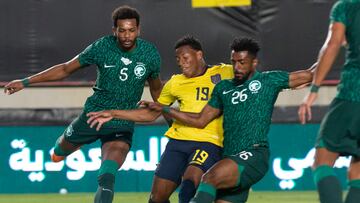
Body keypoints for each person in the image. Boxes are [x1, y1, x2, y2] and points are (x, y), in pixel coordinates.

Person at [3, 5, 162, 203]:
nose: (127, 35)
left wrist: (166, 111)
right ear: (114, 31)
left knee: (107, 178)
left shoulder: (150, 54)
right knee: (57, 155)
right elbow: (65, 69)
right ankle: (74, 144)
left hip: (121, 121)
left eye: (131, 30)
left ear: (138, 30)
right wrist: (25, 82)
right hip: (92, 116)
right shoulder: (102, 47)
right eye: (122, 30)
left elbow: (156, 88)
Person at [131, 37, 315, 203]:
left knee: (205, 179)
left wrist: (333, 49)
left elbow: (308, 75)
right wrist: (164, 109)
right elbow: (201, 119)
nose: (236, 67)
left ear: (254, 62)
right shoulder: (223, 88)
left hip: (253, 153)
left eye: (242, 62)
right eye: (233, 62)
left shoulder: (267, 81)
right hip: (228, 156)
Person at [86, 35, 234, 203]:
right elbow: (151, 113)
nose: (181, 62)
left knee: (189, 185)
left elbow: (249, 74)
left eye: (185, 57)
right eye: (178, 59)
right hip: (177, 143)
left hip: (209, 142)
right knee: (156, 198)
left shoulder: (224, 72)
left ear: (199, 55)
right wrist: (114, 113)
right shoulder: (175, 82)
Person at [298, 1, 360, 203]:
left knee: (322, 161)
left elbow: (333, 44)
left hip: (352, 95)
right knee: (357, 174)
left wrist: (314, 89)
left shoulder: (346, 6)